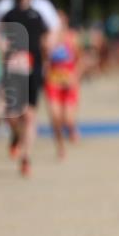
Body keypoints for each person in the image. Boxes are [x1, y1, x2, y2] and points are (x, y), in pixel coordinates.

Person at [0, 0, 51, 177]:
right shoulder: (9, 14)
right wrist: (4, 51)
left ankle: (26, 158)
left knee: (29, 115)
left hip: (33, 68)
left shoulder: (38, 15)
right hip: (13, 68)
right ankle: (16, 136)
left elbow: (46, 39)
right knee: (12, 114)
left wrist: (46, 59)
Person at [44, 10, 81, 159]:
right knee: (55, 118)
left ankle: (71, 129)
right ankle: (60, 146)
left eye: (62, 21)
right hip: (53, 83)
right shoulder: (48, 39)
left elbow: (80, 59)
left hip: (69, 83)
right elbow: (44, 59)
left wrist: (75, 76)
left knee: (68, 119)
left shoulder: (72, 37)